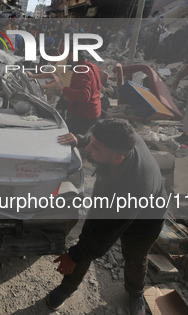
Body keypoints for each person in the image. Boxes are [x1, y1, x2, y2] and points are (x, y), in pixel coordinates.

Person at [48, 119, 166, 314]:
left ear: (117, 158)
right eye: (91, 143)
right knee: (86, 236)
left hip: (147, 219)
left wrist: (74, 255)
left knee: (135, 257)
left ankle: (135, 293)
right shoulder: (125, 138)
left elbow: (104, 236)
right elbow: (99, 143)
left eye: (94, 148)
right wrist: (80, 139)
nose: (88, 149)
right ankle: (67, 288)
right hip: (110, 197)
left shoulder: (134, 188)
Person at [53, 52, 102, 135]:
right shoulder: (92, 66)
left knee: (66, 137)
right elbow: (96, 89)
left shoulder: (81, 70)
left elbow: (85, 95)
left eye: (68, 55)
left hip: (84, 114)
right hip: (94, 110)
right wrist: (70, 96)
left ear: (73, 55)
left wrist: (63, 89)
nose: (66, 58)